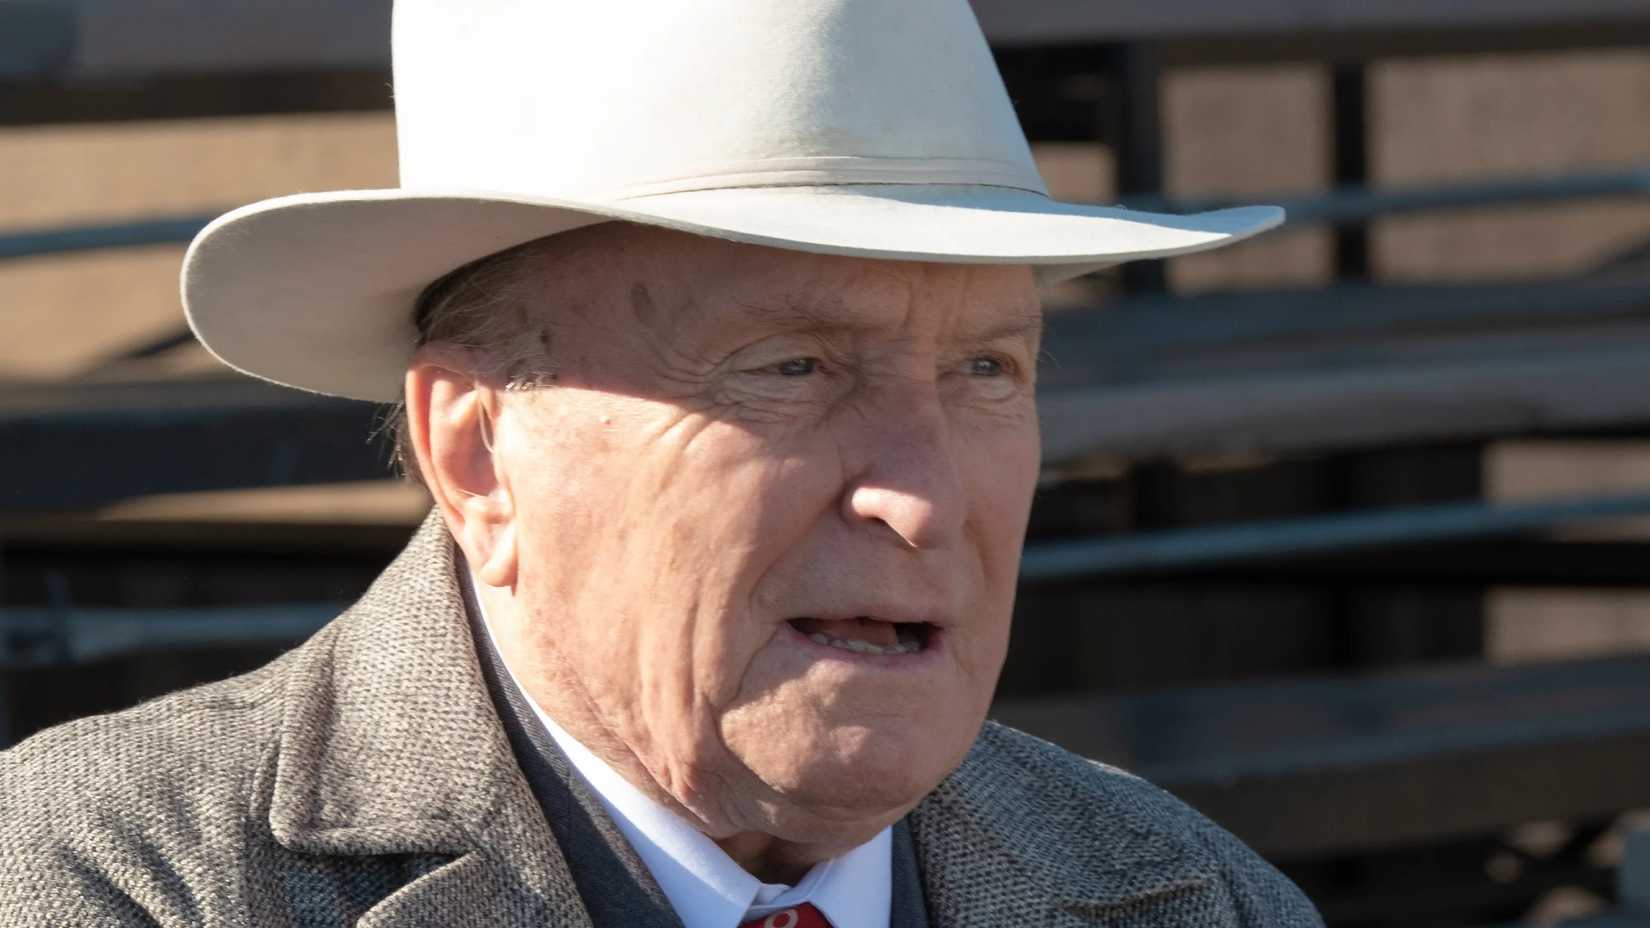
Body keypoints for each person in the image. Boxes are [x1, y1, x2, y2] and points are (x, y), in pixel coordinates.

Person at [1, 0, 1319, 925]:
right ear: (476, 454)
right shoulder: (116, 888)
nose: (921, 497)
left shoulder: (1186, 892)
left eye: (987, 370)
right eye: (790, 367)